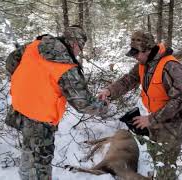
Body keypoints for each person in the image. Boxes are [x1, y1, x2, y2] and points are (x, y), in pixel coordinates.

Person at [6, 25, 108, 180]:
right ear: (74, 44)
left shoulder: (34, 45)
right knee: (41, 163)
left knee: (28, 151)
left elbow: (10, 62)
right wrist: (103, 107)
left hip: (20, 108)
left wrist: (31, 80)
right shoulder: (66, 65)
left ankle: (26, 176)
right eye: (80, 48)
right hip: (40, 119)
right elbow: (83, 104)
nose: (79, 52)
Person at [98, 30, 182, 180]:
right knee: (156, 153)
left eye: (136, 53)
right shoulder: (143, 63)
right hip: (156, 117)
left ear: (147, 50)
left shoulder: (171, 67)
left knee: (165, 162)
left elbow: (178, 101)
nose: (135, 57)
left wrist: (150, 119)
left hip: (175, 121)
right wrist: (109, 91)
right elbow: (128, 80)